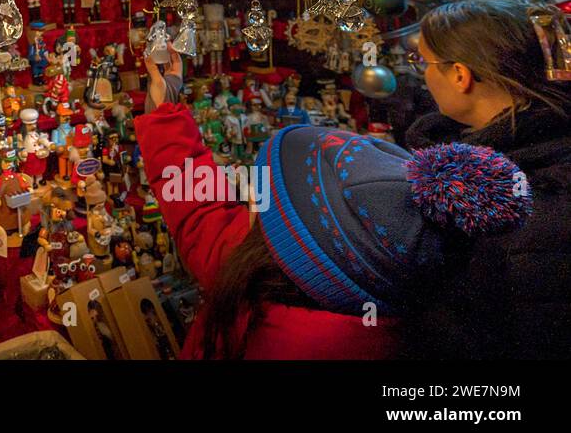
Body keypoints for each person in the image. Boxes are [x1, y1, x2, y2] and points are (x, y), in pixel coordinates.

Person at [135, 44, 532, 359]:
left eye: (261, 197)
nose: (249, 202)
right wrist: (166, 111)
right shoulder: (260, 263)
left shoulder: (318, 340)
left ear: (297, 246)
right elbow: (201, 213)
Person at [403, 0, 571, 359]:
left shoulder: (517, 195)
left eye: (424, 63)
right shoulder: (547, 153)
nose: (425, 76)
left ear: (460, 76)